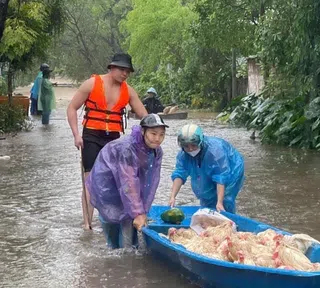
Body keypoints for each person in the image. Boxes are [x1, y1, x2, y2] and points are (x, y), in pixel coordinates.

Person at [66, 52, 148, 230]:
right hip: (91, 136)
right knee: (89, 180)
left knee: (114, 180)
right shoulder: (92, 84)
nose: (125, 74)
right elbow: (71, 108)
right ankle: (87, 223)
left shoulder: (129, 91)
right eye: (121, 69)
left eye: (128, 71)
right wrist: (76, 135)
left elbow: (144, 115)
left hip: (113, 140)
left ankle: (111, 220)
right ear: (111, 67)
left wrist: (153, 132)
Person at [86, 114, 168, 248]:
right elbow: (128, 182)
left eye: (161, 135)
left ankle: (127, 255)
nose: (158, 139)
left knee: (130, 230)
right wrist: (137, 212)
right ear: (143, 131)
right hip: (108, 181)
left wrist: (143, 211)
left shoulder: (157, 152)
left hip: (128, 183)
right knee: (113, 227)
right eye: (153, 134)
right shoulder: (128, 149)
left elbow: (152, 182)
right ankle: (117, 255)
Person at [168, 124, 245, 213]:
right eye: (186, 146)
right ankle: (208, 215)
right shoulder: (183, 155)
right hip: (206, 164)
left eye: (193, 145)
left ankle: (228, 217)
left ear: (200, 141)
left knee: (225, 198)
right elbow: (179, 174)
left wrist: (220, 202)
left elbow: (221, 176)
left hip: (233, 168)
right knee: (206, 193)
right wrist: (173, 197)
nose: (190, 149)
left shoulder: (215, 152)